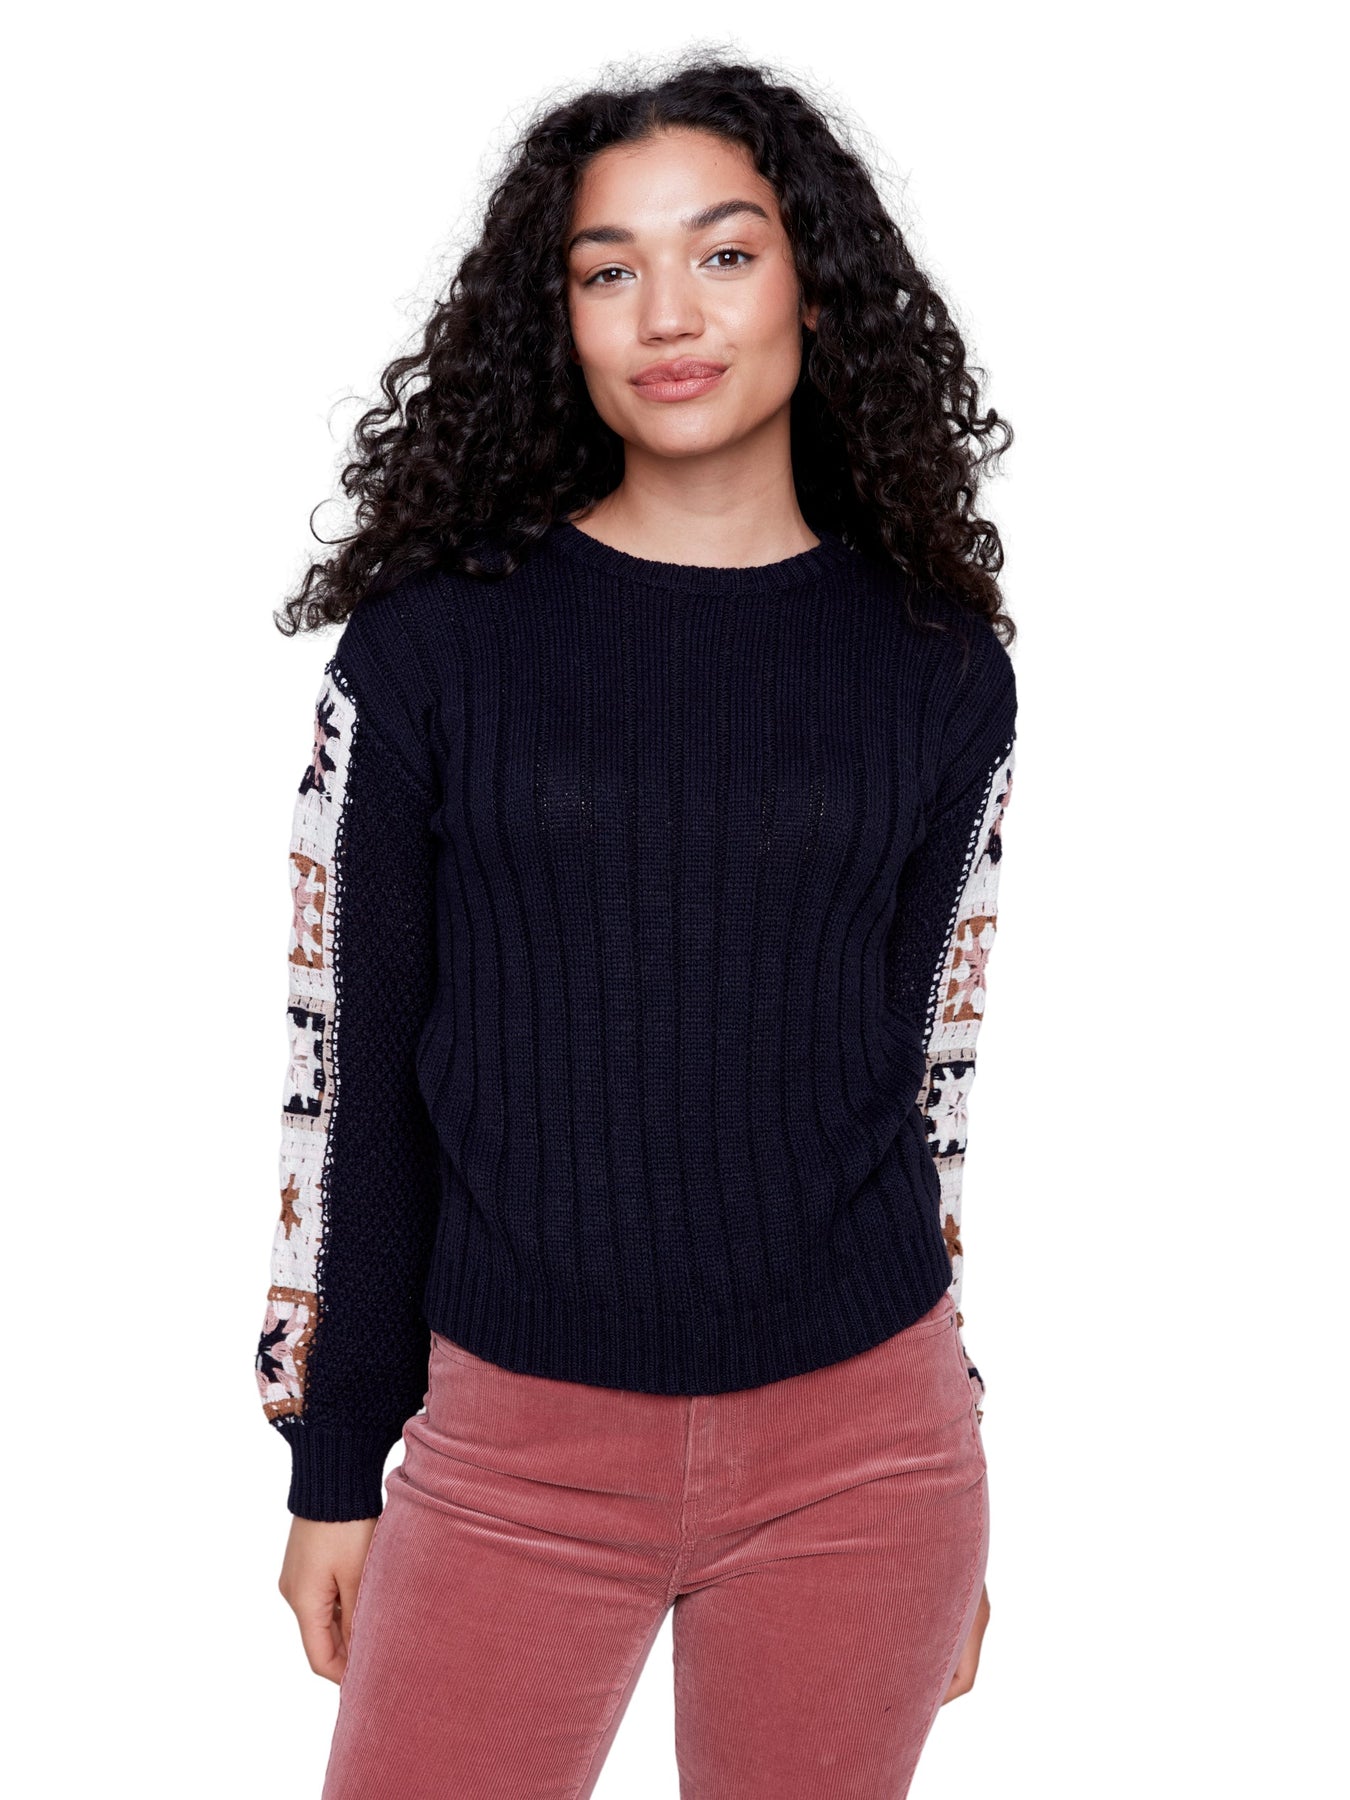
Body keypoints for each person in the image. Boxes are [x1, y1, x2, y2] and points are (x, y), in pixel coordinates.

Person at [254, 53, 1018, 1800]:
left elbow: (926, 1080)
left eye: (723, 254)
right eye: (609, 271)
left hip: (868, 1455)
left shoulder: (937, 668)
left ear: (815, 285)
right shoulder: (432, 650)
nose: (668, 314)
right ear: (561, 319)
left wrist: (959, 1426)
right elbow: (351, 1071)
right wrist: (333, 1458)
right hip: (512, 1450)